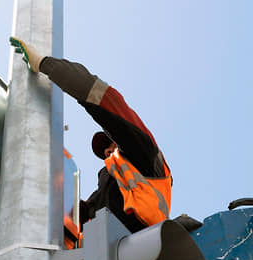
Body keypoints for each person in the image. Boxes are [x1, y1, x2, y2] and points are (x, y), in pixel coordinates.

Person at [10, 37, 171, 234]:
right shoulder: (111, 186)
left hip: (143, 241)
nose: (106, 151)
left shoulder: (145, 155)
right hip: (110, 254)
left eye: (109, 144)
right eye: (103, 151)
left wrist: (44, 63)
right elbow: (81, 215)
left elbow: (107, 102)